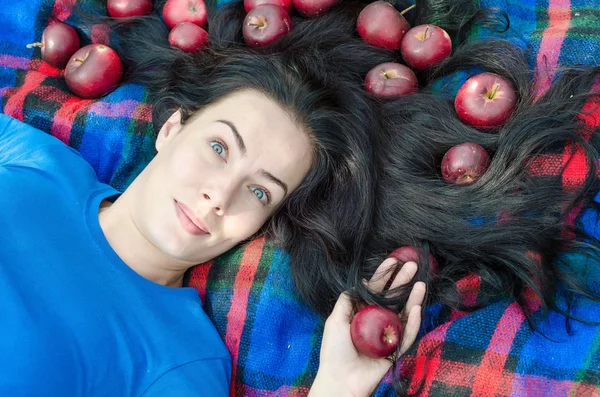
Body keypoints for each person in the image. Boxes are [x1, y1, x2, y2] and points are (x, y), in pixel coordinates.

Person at [0, 1, 427, 396]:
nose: (220, 195)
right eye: (219, 148)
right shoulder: (42, 163)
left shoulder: (181, 362)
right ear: (171, 130)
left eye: (260, 191)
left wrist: (337, 387)